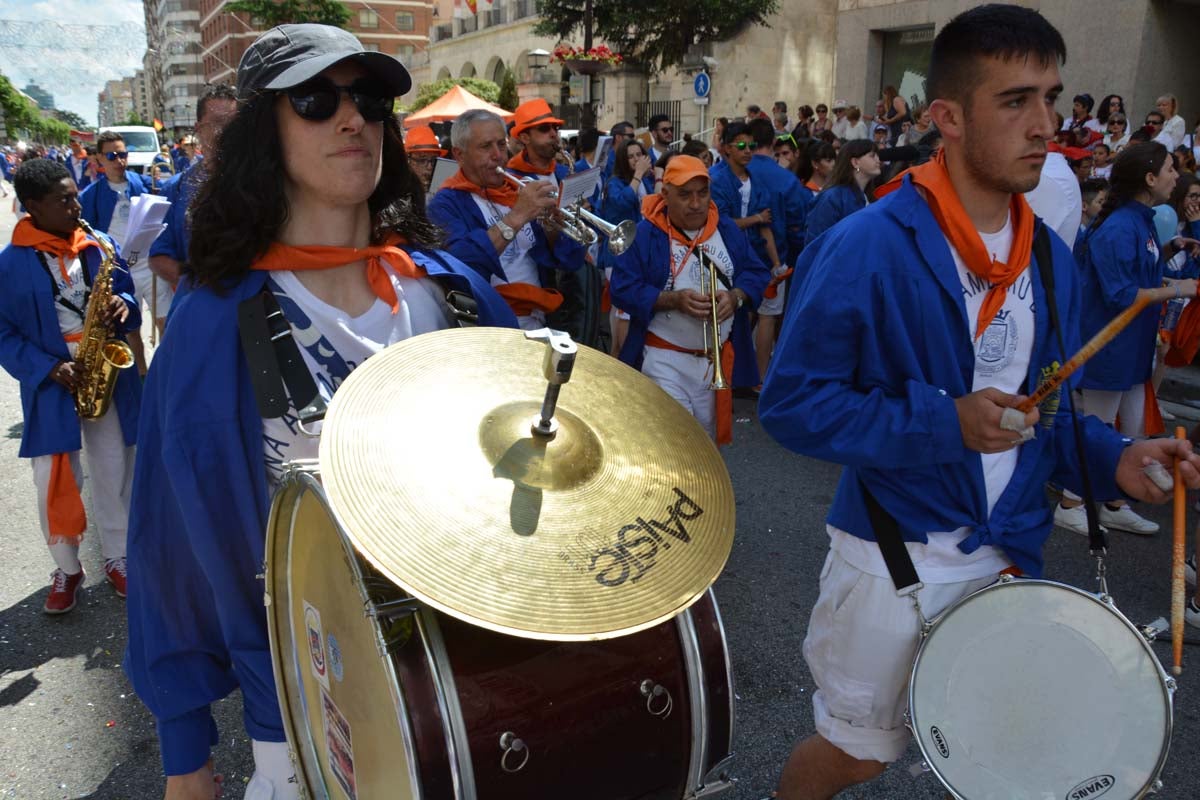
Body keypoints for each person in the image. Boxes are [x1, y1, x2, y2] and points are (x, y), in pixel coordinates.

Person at [759, 8, 1200, 798]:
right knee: (857, 754)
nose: (1045, 126)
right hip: (899, 557)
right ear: (949, 118)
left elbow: (1045, 414)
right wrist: (944, 422)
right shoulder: (868, 245)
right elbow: (792, 404)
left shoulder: (1050, 258)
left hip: (1010, 557)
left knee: (1012, 759)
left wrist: (1115, 458)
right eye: (1015, 101)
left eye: (1052, 99)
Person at [123, 23, 516, 800]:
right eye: (314, 100)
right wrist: (186, 757)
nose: (352, 120)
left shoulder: (454, 292)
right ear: (263, 132)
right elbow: (169, 547)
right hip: (307, 728)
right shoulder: (212, 324)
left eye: (368, 99)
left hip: (477, 697)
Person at [0, 159, 141, 614]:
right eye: (63, 200)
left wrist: (124, 303)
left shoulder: (100, 244)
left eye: (74, 194)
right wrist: (47, 368)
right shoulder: (9, 264)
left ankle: (118, 557)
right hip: (53, 379)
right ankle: (66, 567)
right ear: (32, 206)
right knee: (54, 479)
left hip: (105, 369)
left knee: (114, 466)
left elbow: (129, 296)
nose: (76, 205)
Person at [1070, 143, 1196, 537]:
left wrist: (1176, 275)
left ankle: (1115, 501)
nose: (1176, 175)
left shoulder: (1140, 221)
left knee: (1137, 431)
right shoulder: (1120, 226)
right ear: (1149, 178)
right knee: (1099, 428)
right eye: (1170, 169)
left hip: (1133, 346)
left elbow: (1144, 280)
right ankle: (1071, 502)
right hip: (1109, 346)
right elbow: (1122, 294)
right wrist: (1181, 289)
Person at [610, 155, 768, 441]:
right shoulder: (645, 233)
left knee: (708, 451)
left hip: (713, 362)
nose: (696, 204)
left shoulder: (726, 229)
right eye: (685, 195)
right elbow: (621, 288)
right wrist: (672, 299)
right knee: (678, 445)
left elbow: (756, 273)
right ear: (665, 194)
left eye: (702, 193)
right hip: (664, 360)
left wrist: (735, 296)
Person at [428, 108, 585, 330]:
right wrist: (517, 216)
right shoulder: (445, 204)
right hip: (487, 326)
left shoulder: (518, 188)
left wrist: (554, 229)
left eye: (501, 145)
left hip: (540, 320)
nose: (498, 155)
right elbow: (463, 265)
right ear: (459, 155)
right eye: (485, 146)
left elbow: (571, 261)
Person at [147, 83, 238, 307]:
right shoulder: (175, 190)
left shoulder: (262, 180)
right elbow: (157, 257)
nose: (226, 132)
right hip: (198, 308)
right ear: (198, 129)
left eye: (234, 124)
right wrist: (198, 284)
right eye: (217, 123)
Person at [78, 131, 159, 375]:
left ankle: (170, 374)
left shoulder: (144, 183)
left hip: (149, 264)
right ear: (99, 159)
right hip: (118, 270)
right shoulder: (90, 195)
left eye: (122, 154)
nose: (119, 160)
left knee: (167, 322)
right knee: (131, 328)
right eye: (112, 155)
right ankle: (143, 379)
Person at [599, 139, 652, 355]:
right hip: (618, 255)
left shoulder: (644, 182)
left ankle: (616, 356)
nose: (636, 160)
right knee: (624, 311)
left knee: (621, 313)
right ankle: (621, 357)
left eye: (639, 155)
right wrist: (638, 176)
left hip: (638, 253)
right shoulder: (615, 183)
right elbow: (621, 203)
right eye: (630, 156)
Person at [801, 139, 880, 250]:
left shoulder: (870, 197)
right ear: (855, 162)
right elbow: (815, 244)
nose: (878, 160)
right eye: (872, 155)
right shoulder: (832, 198)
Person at [404, 124, 447, 194]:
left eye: (434, 160)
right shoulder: (397, 192)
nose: (430, 167)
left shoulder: (441, 190)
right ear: (407, 160)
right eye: (422, 160)